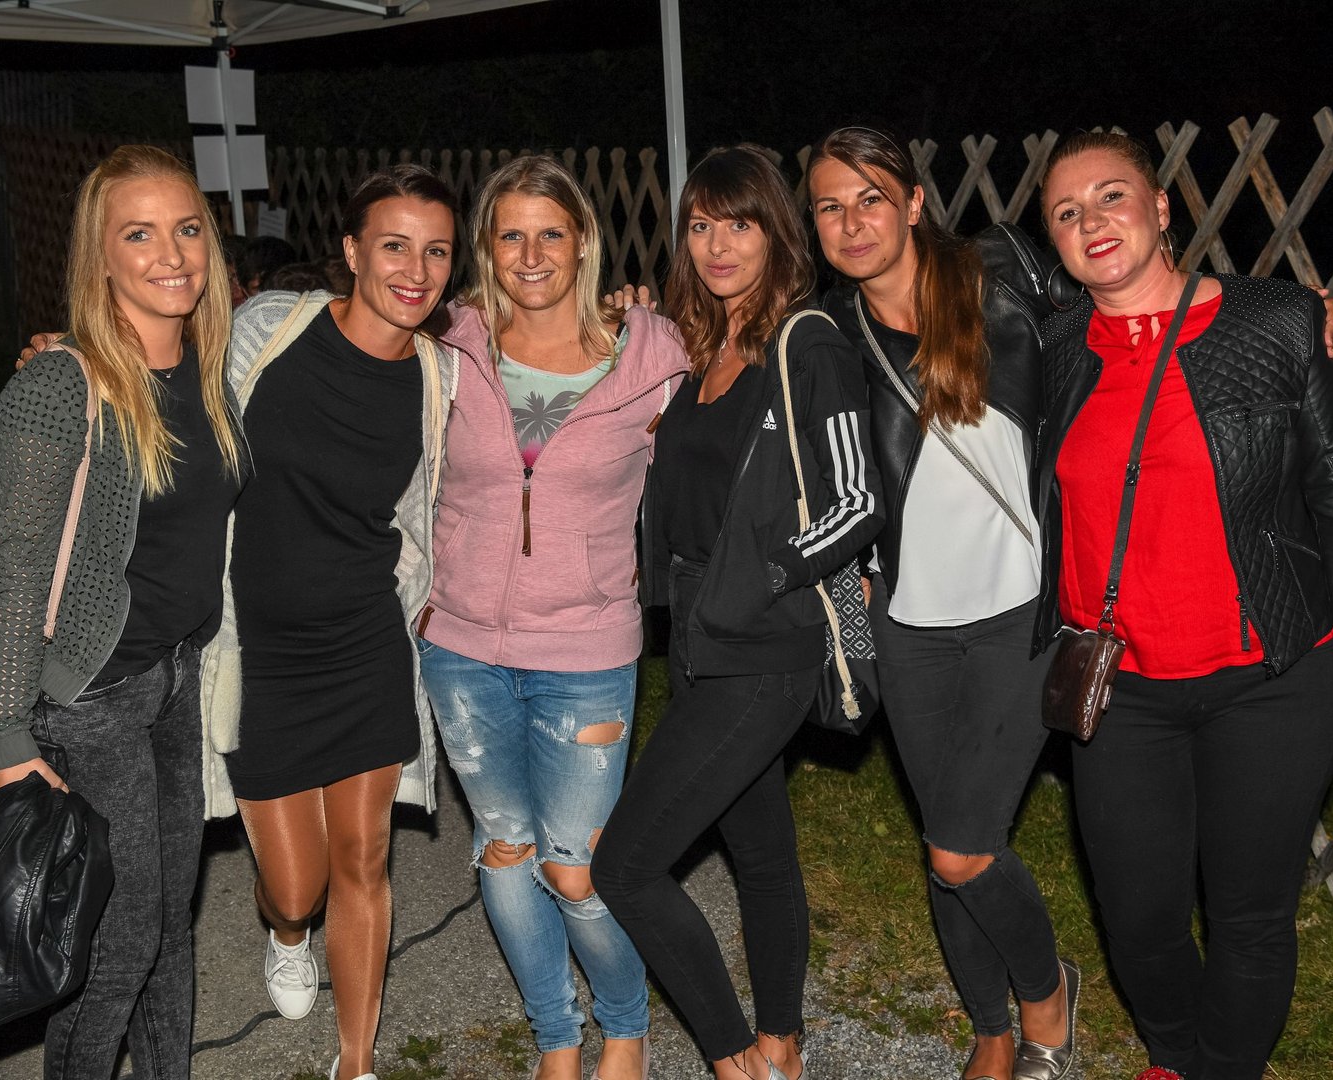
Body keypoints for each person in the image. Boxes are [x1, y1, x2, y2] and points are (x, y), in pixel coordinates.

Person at [1035, 131, 1333, 1080]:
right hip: (1121, 688)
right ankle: (1174, 1052)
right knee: (1138, 916)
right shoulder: (1046, 347)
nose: (1092, 222)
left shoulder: (1277, 321)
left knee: (1250, 915)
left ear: (1162, 208)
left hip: (1273, 677)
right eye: (1067, 213)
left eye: (1112, 196)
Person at [593, 144, 883, 1080]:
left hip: (765, 641)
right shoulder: (699, 349)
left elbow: (857, 502)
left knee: (625, 866)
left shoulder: (809, 342)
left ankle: (733, 1058)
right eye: (701, 225)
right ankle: (782, 1047)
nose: (719, 244)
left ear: (776, 233)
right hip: (697, 636)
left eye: (741, 223)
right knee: (759, 853)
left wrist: (766, 573)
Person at [807, 125, 1077, 1080]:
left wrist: (1281, 304)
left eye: (871, 199)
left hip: (1019, 610)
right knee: (945, 841)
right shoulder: (826, 334)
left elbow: (1126, 303)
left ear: (915, 203)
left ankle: (1046, 997)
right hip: (908, 621)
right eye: (831, 206)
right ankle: (991, 1030)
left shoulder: (1001, 271)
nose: (853, 223)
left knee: (963, 849)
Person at [0, 144, 244, 1080]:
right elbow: (14, 569)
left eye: (187, 228)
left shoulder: (210, 368)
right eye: (139, 234)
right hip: (88, 699)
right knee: (118, 944)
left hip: (172, 679)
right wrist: (4, 739)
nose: (171, 254)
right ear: (101, 255)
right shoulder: (59, 386)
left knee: (168, 924)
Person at [416, 155, 685, 1080]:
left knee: (576, 865)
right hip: (461, 649)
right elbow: (327, 337)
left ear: (584, 242)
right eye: (511, 235)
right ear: (486, 248)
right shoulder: (449, 344)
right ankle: (556, 1040)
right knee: (504, 851)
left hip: (587, 651)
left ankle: (626, 1024)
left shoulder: (652, 356)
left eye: (551, 234)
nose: (531, 255)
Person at [201, 163, 459, 1080]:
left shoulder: (442, 376)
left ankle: (357, 1061)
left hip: (365, 644)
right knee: (296, 886)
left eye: (436, 252)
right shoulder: (270, 329)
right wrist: (65, 357)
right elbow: (162, 381)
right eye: (394, 246)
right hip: (261, 651)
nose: (415, 271)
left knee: (365, 857)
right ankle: (285, 933)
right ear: (351, 251)